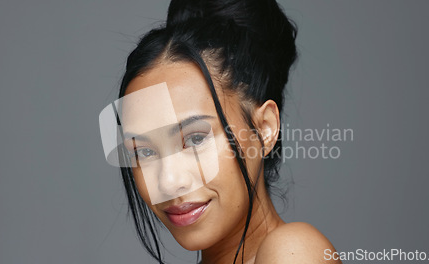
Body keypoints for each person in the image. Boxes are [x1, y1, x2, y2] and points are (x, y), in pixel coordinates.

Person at [99, 0, 341, 263]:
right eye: (144, 152)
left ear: (264, 128)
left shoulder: (293, 251)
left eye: (195, 138)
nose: (168, 182)